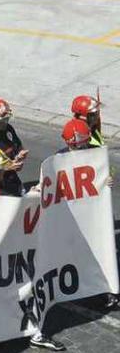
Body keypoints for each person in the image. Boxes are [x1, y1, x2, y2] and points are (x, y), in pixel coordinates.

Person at [58, 119, 119, 310]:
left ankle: (107, 290)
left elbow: (104, 171)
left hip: (93, 214)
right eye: (77, 145)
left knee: (101, 251)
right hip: (72, 216)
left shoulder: (95, 154)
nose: (81, 148)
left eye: (83, 144)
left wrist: (107, 179)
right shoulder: (59, 159)